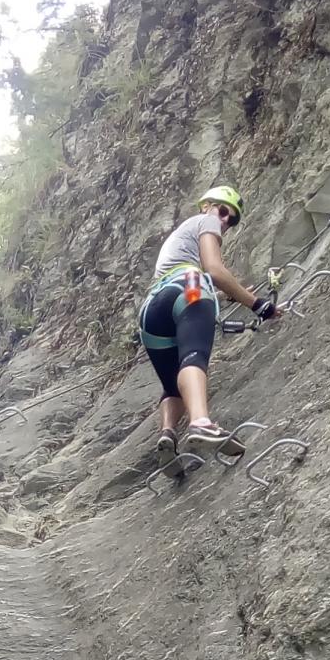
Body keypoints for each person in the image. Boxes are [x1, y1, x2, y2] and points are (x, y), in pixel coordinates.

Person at [139, 186, 280, 460]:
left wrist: (224, 295)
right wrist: (259, 304)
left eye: (233, 219)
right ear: (207, 206)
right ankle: (201, 422)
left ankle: (167, 434)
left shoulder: (179, 237)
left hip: (151, 312)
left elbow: (181, 291)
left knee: (172, 385)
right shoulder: (207, 221)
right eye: (224, 211)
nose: (225, 220)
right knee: (194, 356)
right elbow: (213, 270)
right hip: (188, 286)